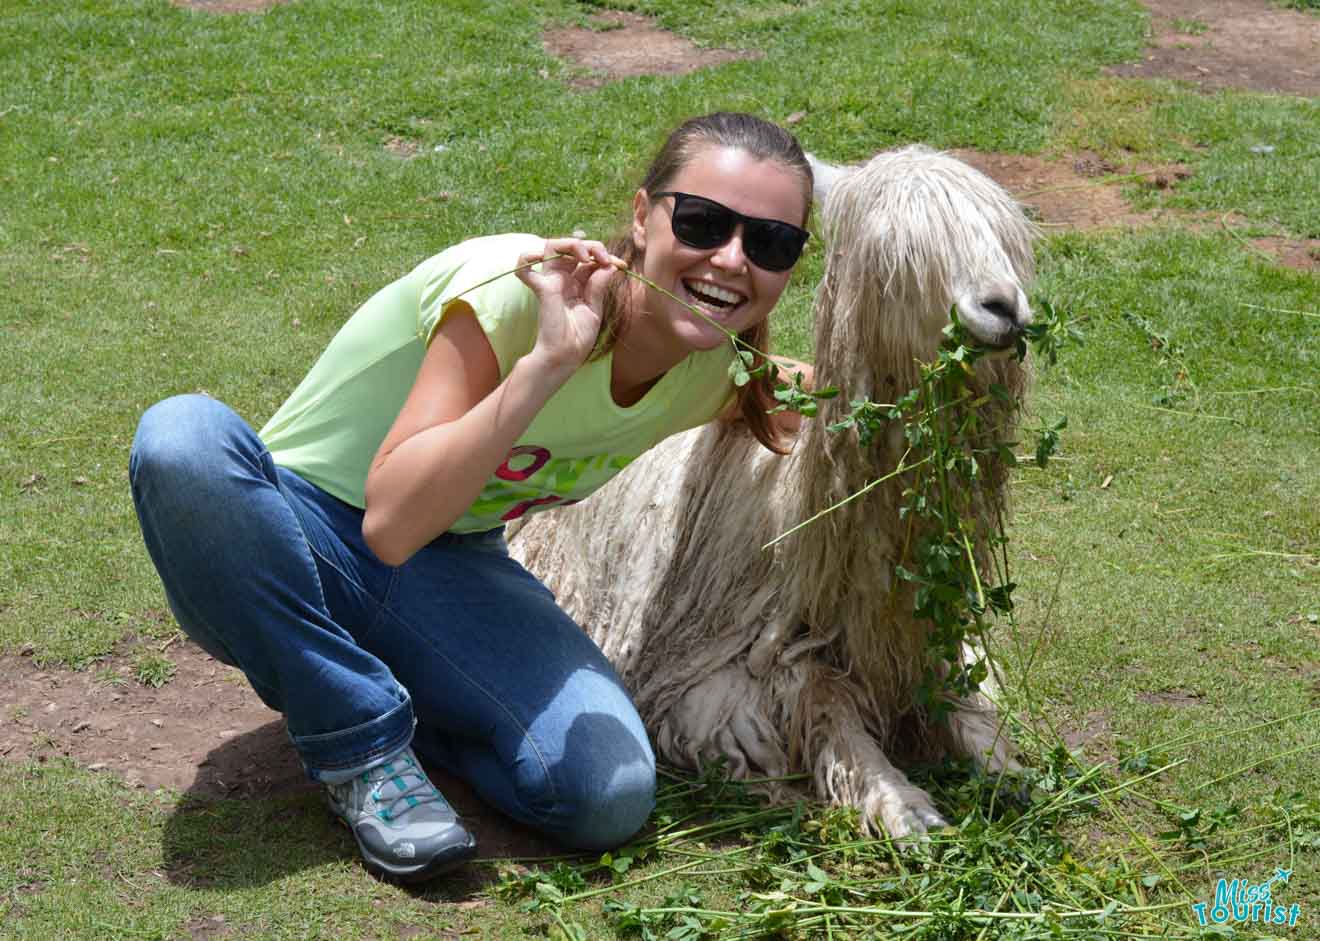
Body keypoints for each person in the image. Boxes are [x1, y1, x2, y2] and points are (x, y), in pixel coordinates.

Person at [129, 112, 814, 882]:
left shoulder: (715, 366)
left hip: (451, 568)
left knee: (607, 795)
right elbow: (388, 526)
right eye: (702, 221)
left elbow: (858, 394)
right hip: (286, 539)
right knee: (181, 438)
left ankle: (385, 695)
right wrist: (547, 364)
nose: (731, 258)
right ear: (640, 214)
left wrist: (956, 372)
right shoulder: (514, 289)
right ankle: (361, 744)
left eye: (771, 242)